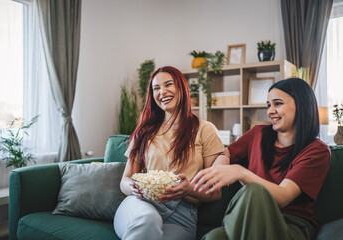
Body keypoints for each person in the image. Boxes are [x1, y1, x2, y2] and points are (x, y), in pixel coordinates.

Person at [191, 78, 331, 240]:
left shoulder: (317, 151)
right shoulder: (257, 134)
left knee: (254, 191)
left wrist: (241, 173)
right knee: (213, 236)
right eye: (268, 105)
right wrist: (223, 158)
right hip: (246, 217)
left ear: (301, 105)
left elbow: (283, 196)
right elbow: (227, 152)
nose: (270, 111)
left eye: (277, 104)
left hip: (290, 225)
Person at [113, 66, 225, 240]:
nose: (162, 92)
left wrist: (189, 189)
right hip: (141, 204)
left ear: (182, 87)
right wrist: (134, 188)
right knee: (147, 220)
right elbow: (125, 180)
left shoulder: (205, 130)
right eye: (156, 88)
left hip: (182, 214)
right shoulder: (144, 132)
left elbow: (215, 192)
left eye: (168, 84)